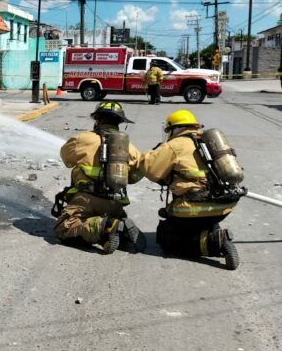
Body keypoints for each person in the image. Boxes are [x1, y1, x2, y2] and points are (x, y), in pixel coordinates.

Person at [139, 110, 240, 269]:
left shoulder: (175, 145)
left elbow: (151, 171)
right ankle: (212, 232)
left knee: (168, 241)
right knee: (202, 223)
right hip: (224, 206)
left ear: (174, 128)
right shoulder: (208, 141)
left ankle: (215, 242)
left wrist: (148, 154)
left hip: (193, 209)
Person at [54, 101, 146, 254]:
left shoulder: (83, 139)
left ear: (97, 120)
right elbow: (134, 177)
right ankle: (119, 225)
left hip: (86, 200)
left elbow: (66, 159)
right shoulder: (130, 148)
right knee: (106, 224)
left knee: (64, 228)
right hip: (114, 203)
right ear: (119, 123)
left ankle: (107, 226)